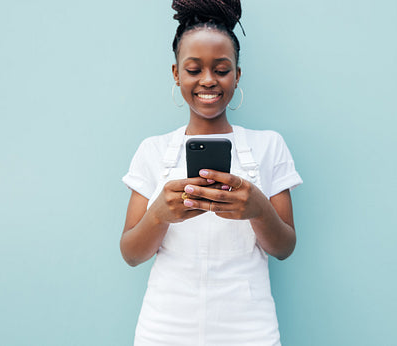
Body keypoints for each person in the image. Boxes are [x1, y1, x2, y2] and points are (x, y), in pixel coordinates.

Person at [120, 1, 303, 344]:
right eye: (193, 69)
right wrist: (159, 214)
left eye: (221, 69)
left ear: (237, 74)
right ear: (176, 73)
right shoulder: (152, 151)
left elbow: (284, 247)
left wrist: (258, 209)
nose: (208, 80)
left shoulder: (268, 146)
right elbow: (131, 254)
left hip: (250, 329)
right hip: (164, 329)